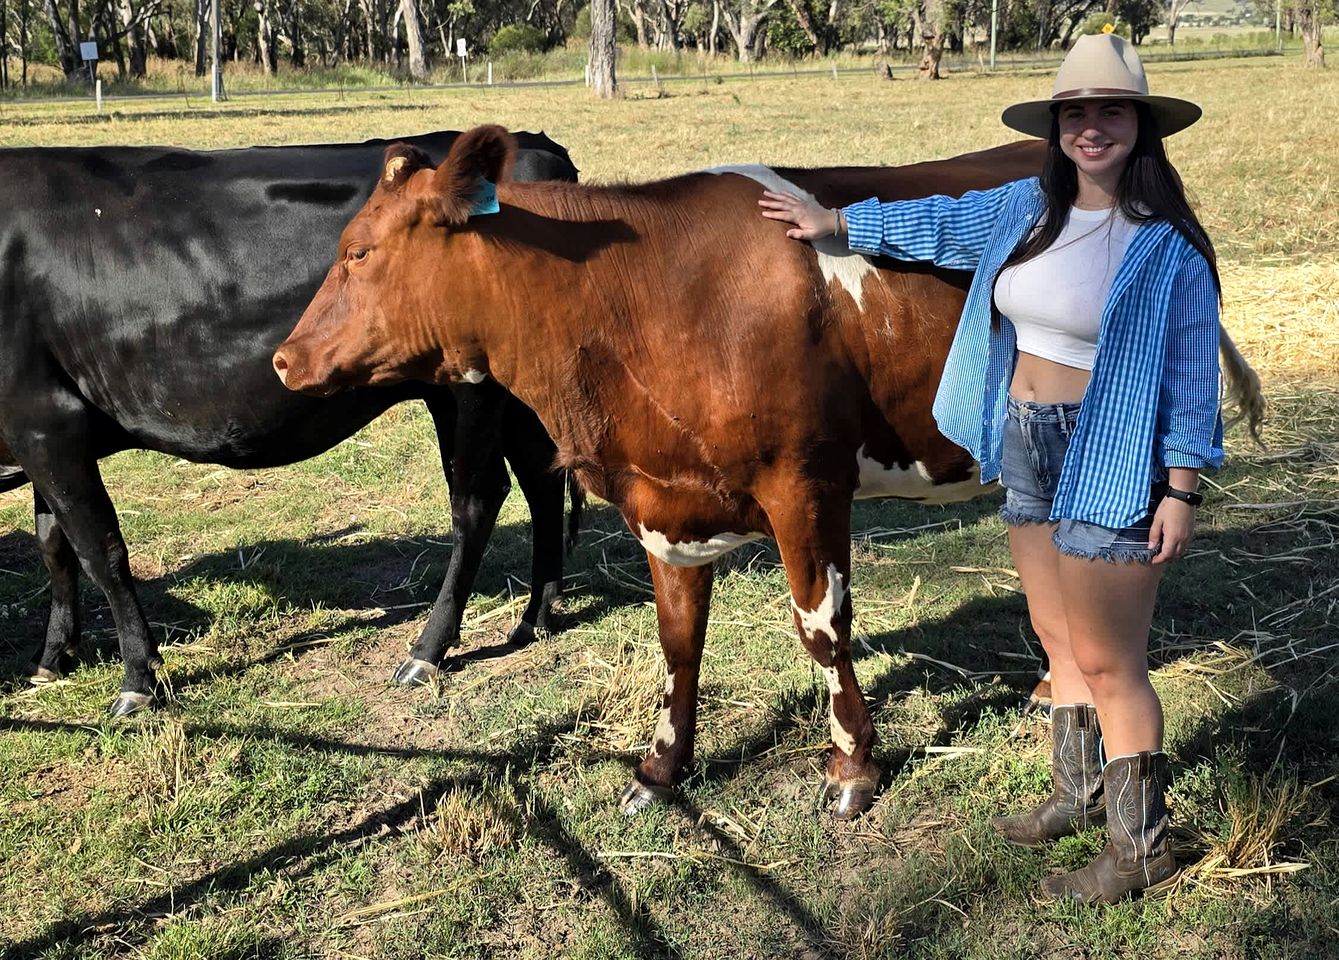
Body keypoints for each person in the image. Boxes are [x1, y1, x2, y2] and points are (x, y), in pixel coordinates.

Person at [759, 32, 1225, 903]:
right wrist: (837, 224)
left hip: (1111, 450)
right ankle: (1077, 794)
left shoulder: (1169, 248)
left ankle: (1141, 848)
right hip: (1023, 436)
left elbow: (1192, 379)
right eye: (1075, 113)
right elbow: (934, 223)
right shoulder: (1022, 208)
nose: (1091, 128)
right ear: (1056, 127)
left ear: (1140, 125)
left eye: (1110, 112)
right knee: (1055, 639)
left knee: (1109, 657)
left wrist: (1179, 488)